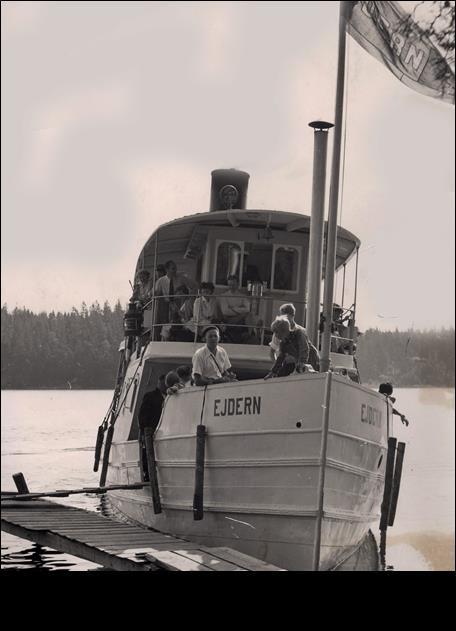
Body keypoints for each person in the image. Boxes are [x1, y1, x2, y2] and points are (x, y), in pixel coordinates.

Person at [154, 260, 198, 339]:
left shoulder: (181, 278)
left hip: (180, 303)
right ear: (167, 269)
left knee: (183, 322)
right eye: (173, 269)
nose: (175, 270)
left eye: (175, 268)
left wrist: (190, 297)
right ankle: (167, 340)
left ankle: (183, 338)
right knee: (169, 324)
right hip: (168, 305)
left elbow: (194, 286)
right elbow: (155, 293)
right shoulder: (161, 281)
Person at [137, 374, 167, 479]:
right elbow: (142, 415)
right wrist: (144, 430)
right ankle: (148, 474)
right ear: (159, 382)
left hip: (164, 430)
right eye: (163, 382)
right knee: (148, 451)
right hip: (151, 429)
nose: (165, 385)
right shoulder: (150, 396)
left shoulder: (170, 396)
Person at [218, 275, 254, 342]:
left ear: (237, 284)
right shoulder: (223, 296)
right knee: (246, 315)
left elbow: (248, 309)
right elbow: (225, 311)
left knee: (249, 315)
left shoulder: (242, 296)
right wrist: (241, 311)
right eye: (230, 285)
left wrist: (232, 308)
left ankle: (249, 335)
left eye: (233, 284)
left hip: (240, 319)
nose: (231, 287)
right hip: (228, 319)